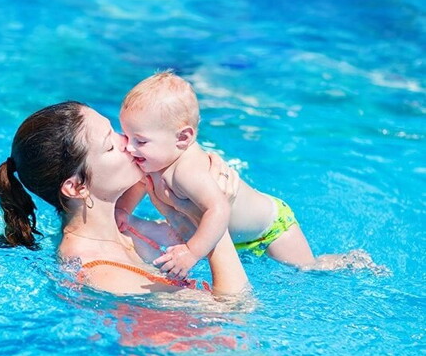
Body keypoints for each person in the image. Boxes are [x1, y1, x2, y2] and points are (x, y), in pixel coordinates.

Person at [0, 101, 250, 295]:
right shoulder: (103, 273)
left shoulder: (123, 226)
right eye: (109, 145)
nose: (127, 143)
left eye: (114, 130)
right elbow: (233, 313)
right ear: (77, 187)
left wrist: (198, 180)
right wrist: (214, 212)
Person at [116, 71, 332, 280]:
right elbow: (138, 185)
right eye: (126, 136)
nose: (130, 147)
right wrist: (122, 211)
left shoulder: (186, 170)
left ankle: (343, 262)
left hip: (271, 231)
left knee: (308, 270)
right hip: (232, 240)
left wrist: (192, 253)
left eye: (140, 141)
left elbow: (218, 209)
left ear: (182, 138)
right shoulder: (155, 159)